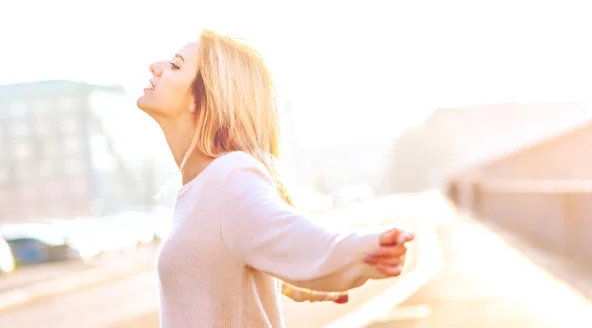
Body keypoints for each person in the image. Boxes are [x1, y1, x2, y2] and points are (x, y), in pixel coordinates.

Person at [137, 30, 415, 328]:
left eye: (176, 66)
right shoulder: (202, 187)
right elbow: (224, 258)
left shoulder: (230, 178)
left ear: (203, 99)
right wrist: (290, 283)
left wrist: (366, 249)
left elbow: (292, 237)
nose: (155, 66)